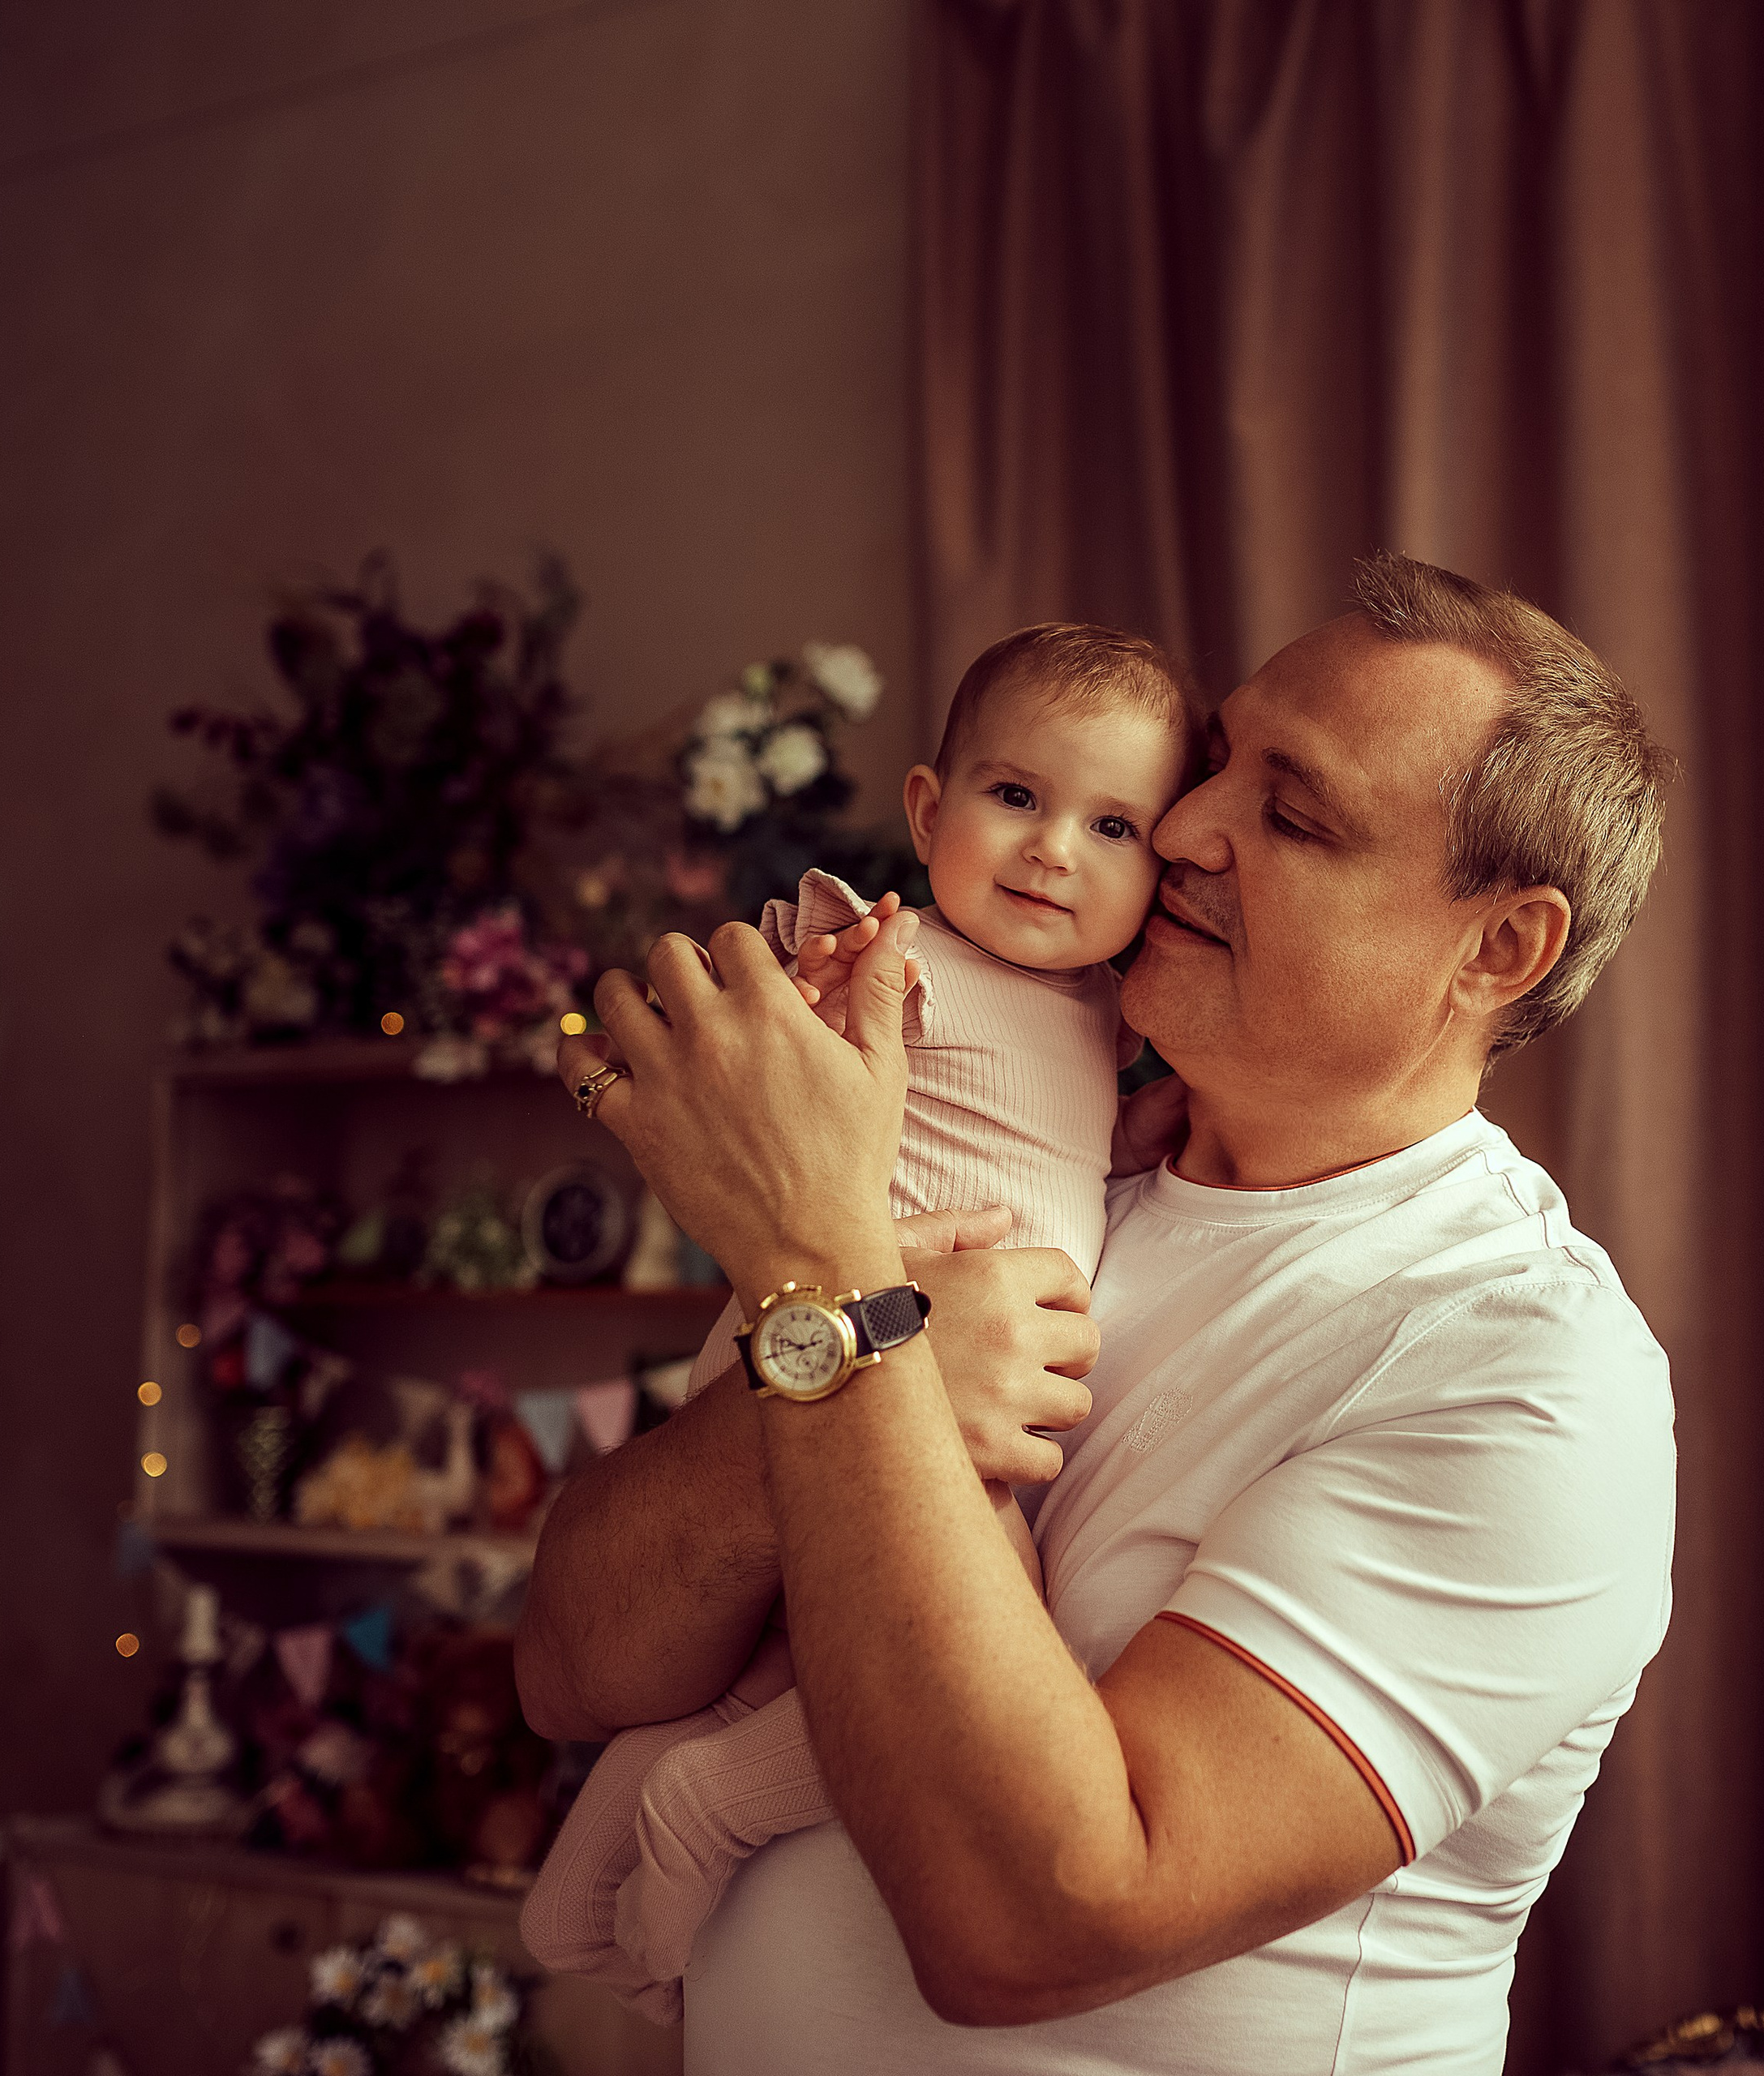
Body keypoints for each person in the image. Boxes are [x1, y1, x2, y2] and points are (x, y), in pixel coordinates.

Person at [517, 553, 1678, 2075]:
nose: (1181, 829)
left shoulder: (1523, 1367)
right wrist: (843, 1355)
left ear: (1499, 947)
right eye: (1215, 767)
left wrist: (829, 1280)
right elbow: (571, 1668)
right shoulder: (1039, 1162)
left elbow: (1034, 1924)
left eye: (1292, 814)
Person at [521, 624, 1200, 2019]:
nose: (1053, 849)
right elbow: (787, 1077)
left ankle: (582, 1909)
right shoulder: (904, 955)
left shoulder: (1103, 1011)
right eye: (1016, 796)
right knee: (983, 1659)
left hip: (925, 1359)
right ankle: (709, 1807)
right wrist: (821, 991)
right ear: (927, 811)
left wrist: (1142, 1139)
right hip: (842, 1340)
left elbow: (1047, 1143)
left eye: (1112, 825)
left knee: (782, 1662)